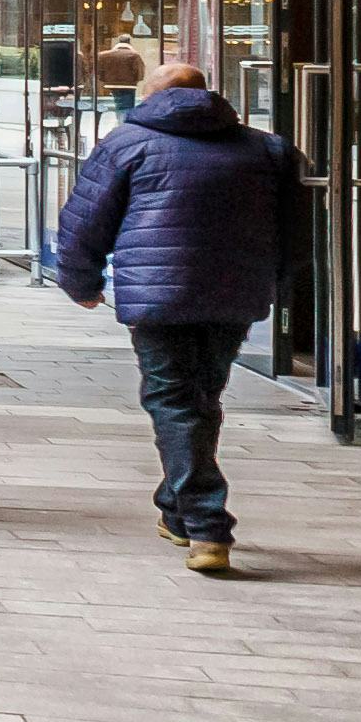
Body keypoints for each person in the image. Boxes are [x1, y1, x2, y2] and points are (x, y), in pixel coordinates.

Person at [50, 56, 304, 574]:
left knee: (174, 399)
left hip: (158, 297)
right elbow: (298, 231)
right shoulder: (268, 150)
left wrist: (81, 281)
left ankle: (208, 524)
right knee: (200, 399)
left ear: (150, 95)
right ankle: (176, 509)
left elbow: (86, 219)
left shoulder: (125, 142)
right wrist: (276, 284)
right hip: (235, 295)